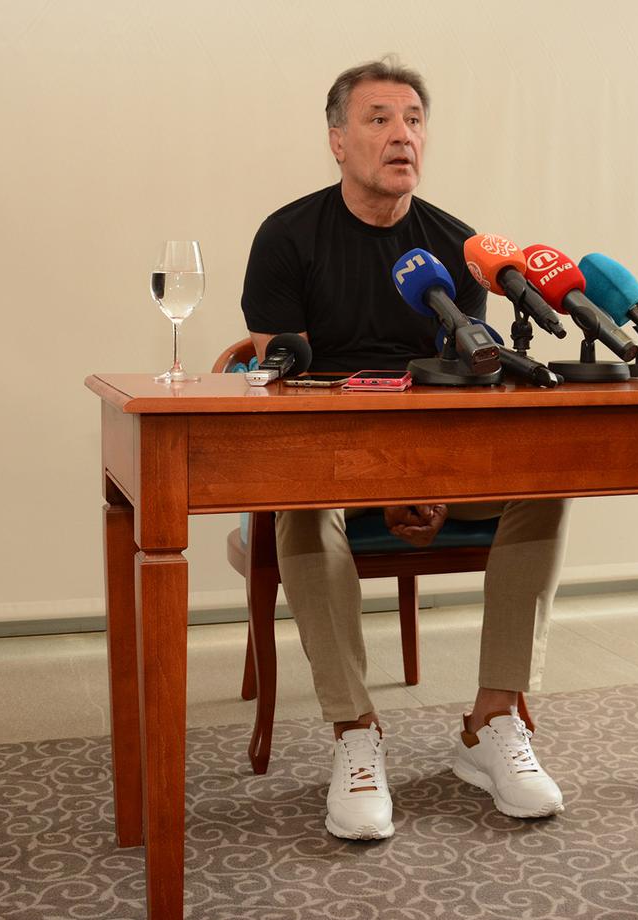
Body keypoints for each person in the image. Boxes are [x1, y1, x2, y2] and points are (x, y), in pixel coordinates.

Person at [241, 57, 571, 841]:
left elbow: (466, 394)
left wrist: (435, 482)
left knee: (549, 478)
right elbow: (284, 392)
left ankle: (493, 721)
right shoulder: (287, 237)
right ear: (337, 140)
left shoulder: (457, 248)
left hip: (434, 463)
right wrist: (383, 482)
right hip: (329, 463)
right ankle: (355, 732)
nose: (402, 135)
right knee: (301, 504)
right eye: (379, 118)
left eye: (415, 120)